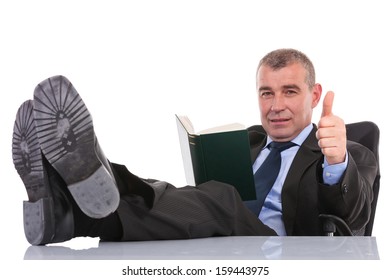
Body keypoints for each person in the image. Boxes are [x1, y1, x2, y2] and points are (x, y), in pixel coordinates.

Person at [12, 48, 377, 245]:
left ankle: (96, 174)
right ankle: (64, 216)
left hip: (279, 250)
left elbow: (355, 215)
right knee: (170, 196)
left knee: (223, 199)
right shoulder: (247, 140)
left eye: (290, 92)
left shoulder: (350, 151)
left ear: (314, 95)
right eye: (266, 93)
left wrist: (337, 161)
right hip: (220, 234)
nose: (276, 105)